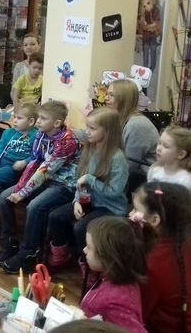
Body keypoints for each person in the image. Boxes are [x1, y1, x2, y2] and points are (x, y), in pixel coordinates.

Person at [0, 100, 80, 273]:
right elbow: (34, 162)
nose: (38, 121)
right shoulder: (41, 134)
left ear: (56, 123)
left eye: (43, 118)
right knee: (5, 197)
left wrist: (23, 193)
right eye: (39, 117)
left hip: (64, 185)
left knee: (34, 206)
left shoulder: (68, 141)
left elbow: (46, 170)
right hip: (44, 180)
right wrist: (20, 188)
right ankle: (10, 242)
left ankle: (29, 253)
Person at [46, 107, 129, 270]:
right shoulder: (91, 149)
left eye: (92, 128)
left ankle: (90, 268)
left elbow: (114, 192)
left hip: (111, 207)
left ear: (108, 131)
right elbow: (81, 181)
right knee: (56, 217)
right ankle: (62, 257)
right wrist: (77, 200)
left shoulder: (117, 159)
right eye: (87, 127)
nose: (87, 132)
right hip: (91, 201)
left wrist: (90, 179)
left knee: (81, 228)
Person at [131, 182, 191, 333]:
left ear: (154, 220)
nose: (130, 214)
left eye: (135, 210)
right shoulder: (186, 244)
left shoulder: (152, 261)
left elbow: (137, 313)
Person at [81, 217, 148, 333]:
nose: (84, 250)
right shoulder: (110, 277)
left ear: (108, 257)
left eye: (89, 247)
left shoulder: (116, 302)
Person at [146, 126, 191, 222]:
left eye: (165, 146)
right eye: (159, 143)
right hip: (158, 217)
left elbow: (181, 215)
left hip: (179, 224)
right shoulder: (154, 170)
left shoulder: (187, 181)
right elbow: (149, 198)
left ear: (181, 154)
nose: (158, 148)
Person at [105, 79, 159, 172]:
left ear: (124, 99)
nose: (106, 98)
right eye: (107, 94)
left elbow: (128, 167)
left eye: (111, 95)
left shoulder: (137, 125)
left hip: (144, 178)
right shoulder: (119, 119)